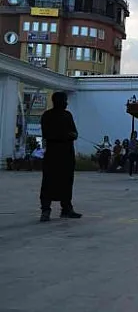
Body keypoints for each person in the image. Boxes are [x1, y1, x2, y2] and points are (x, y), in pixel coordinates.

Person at [39, 92, 81, 222]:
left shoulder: (68, 115)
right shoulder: (47, 116)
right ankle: (46, 210)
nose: (66, 103)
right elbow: (47, 134)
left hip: (66, 154)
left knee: (67, 181)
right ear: (58, 101)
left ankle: (66, 208)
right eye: (65, 100)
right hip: (53, 154)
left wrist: (66, 135)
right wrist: (65, 135)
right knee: (48, 182)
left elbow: (75, 133)